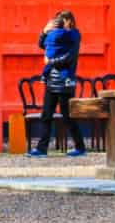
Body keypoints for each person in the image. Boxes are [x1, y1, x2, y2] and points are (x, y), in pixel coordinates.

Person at [29, 10, 86, 157]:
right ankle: (42, 149)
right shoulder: (55, 36)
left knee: (67, 116)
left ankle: (80, 147)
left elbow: (70, 58)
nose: (61, 22)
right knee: (46, 115)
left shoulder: (74, 36)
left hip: (65, 81)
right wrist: (44, 31)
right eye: (59, 19)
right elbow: (42, 44)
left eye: (63, 19)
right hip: (51, 80)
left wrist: (50, 62)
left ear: (70, 20)